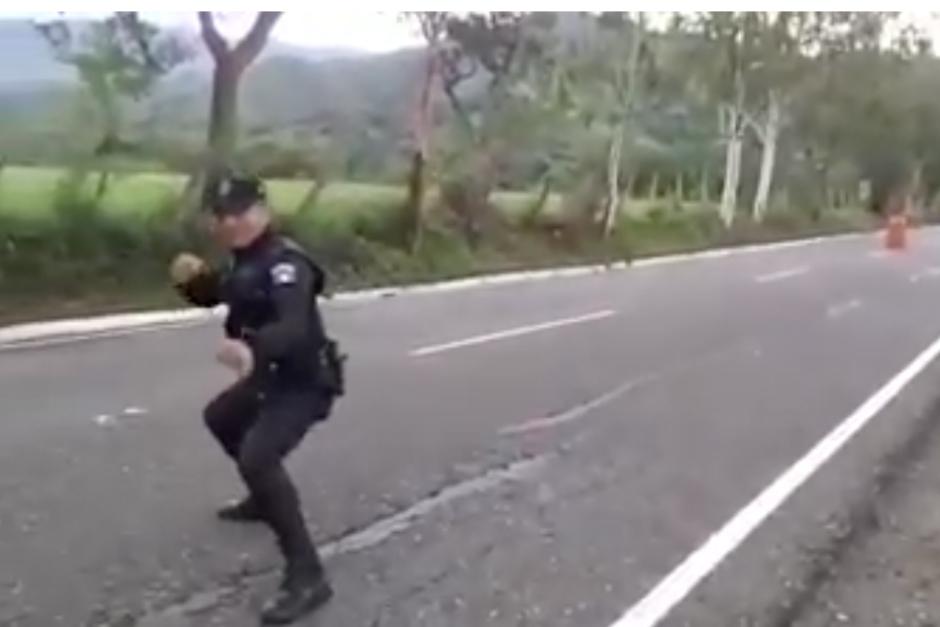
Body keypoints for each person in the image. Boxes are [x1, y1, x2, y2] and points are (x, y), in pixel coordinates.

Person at [169, 172, 345, 625]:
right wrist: (196, 285)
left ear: (263, 212)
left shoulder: (288, 264)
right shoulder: (243, 262)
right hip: (269, 378)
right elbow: (226, 294)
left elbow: (293, 326)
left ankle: (308, 575)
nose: (231, 222)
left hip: (304, 382)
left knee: (258, 457)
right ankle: (262, 499)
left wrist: (252, 348)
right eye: (222, 214)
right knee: (221, 418)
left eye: (241, 212)